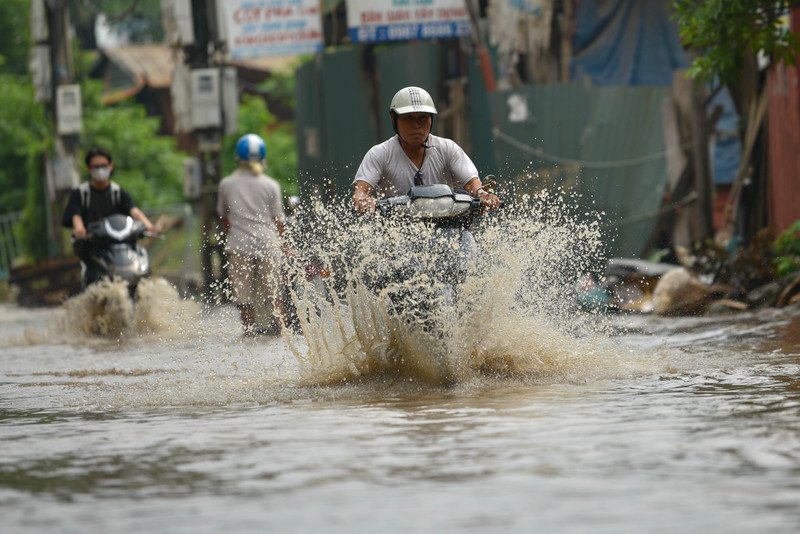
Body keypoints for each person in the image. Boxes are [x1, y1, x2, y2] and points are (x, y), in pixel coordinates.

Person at [352, 86, 501, 213]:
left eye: (423, 117)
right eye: (409, 118)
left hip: (449, 227)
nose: (416, 125)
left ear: (431, 119)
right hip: (397, 233)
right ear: (393, 118)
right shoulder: (379, 154)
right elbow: (361, 191)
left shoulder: (447, 148)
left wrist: (482, 194)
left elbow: (472, 183)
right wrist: (362, 200)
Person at [217, 133, 287, 337]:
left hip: (239, 244)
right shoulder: (271, 185)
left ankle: (249, 334)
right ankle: (283, 334)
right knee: (275, 295)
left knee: (243, 296)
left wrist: (239, 230)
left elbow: (224, 217)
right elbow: (278, 222)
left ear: (238, 157)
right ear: (263, 158)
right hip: (267, 243)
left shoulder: (226, 184)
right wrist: (283, 245)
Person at [62, 147, 157, 265]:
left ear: (111, 166)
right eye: (96, 166)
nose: (100, 170)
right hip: (93, 246)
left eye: (103, 165)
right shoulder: (80, 194)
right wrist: (79, 228)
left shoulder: (118, 193)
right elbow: (75, 214)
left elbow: (134, 211)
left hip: (119, 245)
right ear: (88, 168)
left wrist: (148, 225)